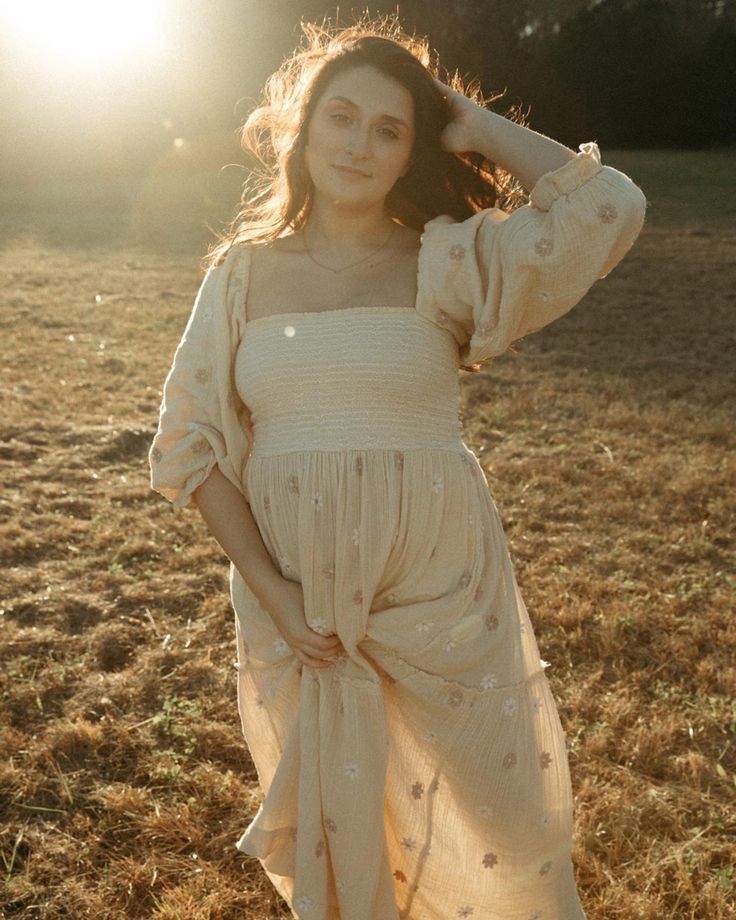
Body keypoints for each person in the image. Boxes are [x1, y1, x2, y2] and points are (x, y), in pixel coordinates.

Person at [148, 16, 646, 920]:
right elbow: (191, 449)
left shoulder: (450, 258)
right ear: (302, 125)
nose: (361, 145)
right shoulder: (241, 277)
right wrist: (276, 593)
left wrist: (474, 122)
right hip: (301, 600)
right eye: (342, 117)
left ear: (416, 146)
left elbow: (610, 208)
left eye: (391, 128)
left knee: (511, 830)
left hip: (442, 591)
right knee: (349, 831)